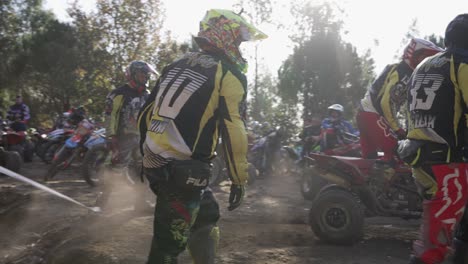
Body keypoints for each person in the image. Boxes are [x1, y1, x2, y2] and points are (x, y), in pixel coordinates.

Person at [138, 9, 267, 264]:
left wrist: (148, 154)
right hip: (183, 171)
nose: (240, 47)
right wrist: (239, 179)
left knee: (207, 214)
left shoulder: (174, 64)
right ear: (225, 36)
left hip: (159, 163)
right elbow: (234, 130)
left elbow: (144, 113)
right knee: (168, 246)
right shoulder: (229, 73)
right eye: (238, 40)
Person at [398, 14, 468, 264]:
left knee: (450, 231)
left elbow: (410, 113)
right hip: (448, 163)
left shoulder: (423, 66)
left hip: (421, 157)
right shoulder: (462, 63)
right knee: (432, 247)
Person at [356, 38, 442, 179]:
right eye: (424, 57)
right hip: (372, 114)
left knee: (369, 161)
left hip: (365, 114)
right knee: (398, 151)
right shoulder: (404, 72)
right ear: (414, 55)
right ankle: (388, 193)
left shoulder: (401, 70)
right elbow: (386, 103)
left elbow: (403, 107)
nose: (426, 61)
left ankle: (366, 193)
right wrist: (398, 129)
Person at [98, 60, 158, 210]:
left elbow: (151, 117)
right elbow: (110, 115)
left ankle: (140, 203)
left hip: (141, 139)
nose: (145, 77)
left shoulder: (147, 94)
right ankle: (101, 204)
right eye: (142, 74)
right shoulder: (118, 93)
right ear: (132, 75)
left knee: (142, 171)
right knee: (114, 170)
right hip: (122, 138)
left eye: (146, 75)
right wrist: (111, 136)